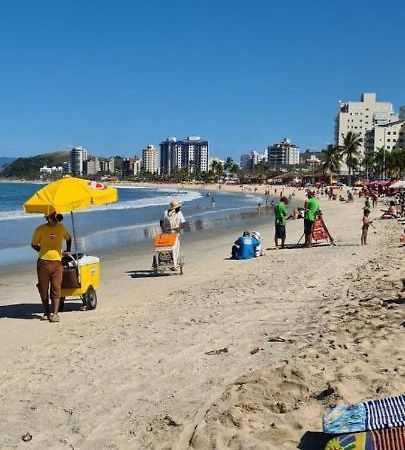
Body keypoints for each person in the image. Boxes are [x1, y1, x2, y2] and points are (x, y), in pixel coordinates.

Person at [31, 212, 72, 322]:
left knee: (56, 287)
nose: (55, 221)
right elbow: (33, 244)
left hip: (57, 263)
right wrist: (43, 251)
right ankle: (46, 312)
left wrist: (68, 250)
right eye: (53, 219)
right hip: (43, 262)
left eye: (57, 219)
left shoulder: (61, 227)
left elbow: (68, 238)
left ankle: (55, 313)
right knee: (43, 288)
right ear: (48, 218)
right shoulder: (40, 229)